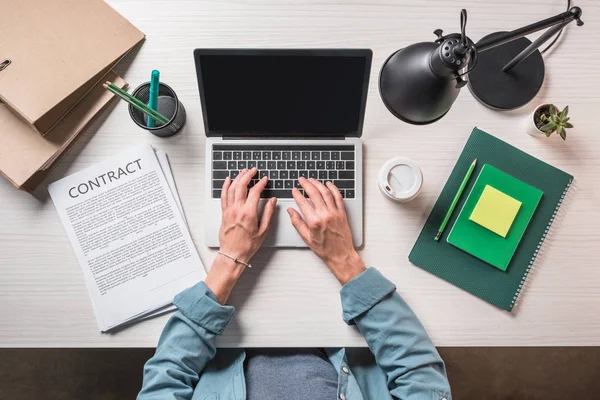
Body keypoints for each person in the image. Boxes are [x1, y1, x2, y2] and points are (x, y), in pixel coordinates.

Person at [137, 168, 452, 400]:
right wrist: (345, 261)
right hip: (352, 343)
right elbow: (422, 379)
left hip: (222, 338)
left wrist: (229, 259)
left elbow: (167, 378)